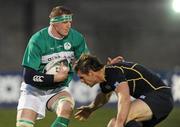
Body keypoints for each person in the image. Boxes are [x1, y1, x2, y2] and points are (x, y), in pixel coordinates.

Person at [16, 6, 123, 127]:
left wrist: (105, 68)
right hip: (34, 90)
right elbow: (28, 76)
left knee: (67, 107)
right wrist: (54, 78)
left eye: (70, 22)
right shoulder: (37, 40)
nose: (69, 25)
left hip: (58, 89)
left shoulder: (76, 38)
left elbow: (87, 64)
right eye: (65, 22)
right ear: (54, 23)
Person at [74, 54, 174, 127]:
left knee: (118, 122)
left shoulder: (112, 71)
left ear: (90, 72)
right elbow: (103, 96)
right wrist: (91, 108)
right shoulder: (106, 78)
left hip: (160, 96)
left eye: (82, 77)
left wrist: (120, 123)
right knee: (118, 124)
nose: (81, 81)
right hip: (155, 100)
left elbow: (124, 98)